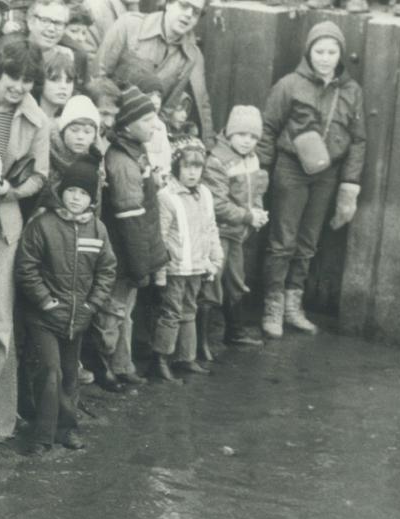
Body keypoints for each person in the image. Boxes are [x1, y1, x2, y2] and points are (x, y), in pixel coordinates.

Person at [258, 21, 364, 340]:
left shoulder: (351, 91)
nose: (325, 57)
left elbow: (359, 140)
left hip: (327, 174)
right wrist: (262, 169)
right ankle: (272, 307)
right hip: (291, 169)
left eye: (332, 51)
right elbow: (267, 129)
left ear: (340, 54)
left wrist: (350, 182)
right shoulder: (289, 85)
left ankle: (293, 305)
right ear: (308, 51)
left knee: (307, 243)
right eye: (319, 50)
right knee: (283, 241)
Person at [0, 39, 48, 443]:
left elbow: (40, 176)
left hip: (2, 218)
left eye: (29, 81)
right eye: (14, 77)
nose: (19, 87)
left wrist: (10, 190)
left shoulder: (37, 119)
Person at [16, 158, 115, 451]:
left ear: (92, 199)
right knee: (50, 371)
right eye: (71, 191)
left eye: (83, 193)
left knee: (71, 374)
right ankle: (42, 436)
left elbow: (107, 270)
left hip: (78, 317)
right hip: (45, 315)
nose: (76, 198)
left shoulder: (98, 230)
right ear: (61, 191)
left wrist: (91, 306)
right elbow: (26, 267)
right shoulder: (43, 225)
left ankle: (66, 429)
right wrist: (45, 301)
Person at [98, 85, 166, 389]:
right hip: (124, 252)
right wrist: (141, 264)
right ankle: (104, 366)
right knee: (113, 311)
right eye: (146, 119)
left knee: (125, 311)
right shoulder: (123, 161)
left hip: (135, 250)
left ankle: (122, 364)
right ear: (127, 125)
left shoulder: (136, 151)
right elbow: (130, 219)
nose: (154, 124)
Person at [152, 139, 222, 380]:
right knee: (171, 312)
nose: (192, 173)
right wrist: (160, 272)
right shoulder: (167, 197)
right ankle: (160, 358)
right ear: (176, 168)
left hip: (196, 266)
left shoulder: (205, 194)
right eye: (187, 167)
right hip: (175, 267)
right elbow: (160, 237)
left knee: (190, 309)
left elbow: (210, 228)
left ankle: (186, 357)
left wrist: (214, 258)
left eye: (197, 167)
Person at [96, 0, 211, 140]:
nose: (188, 14)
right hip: (105, 124)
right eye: (184, 5)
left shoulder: (191, 56)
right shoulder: (129, 25)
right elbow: (98, 78)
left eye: (196, 12)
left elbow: (167, 108)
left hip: (140, 136)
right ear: (168, 3)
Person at [203, 104, 268, 348]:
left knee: (235, 280)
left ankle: (235, 331)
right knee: (212, 280)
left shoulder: (252, 158)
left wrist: (258, 211)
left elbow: (257, 190)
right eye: (242, 135)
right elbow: (217, 203)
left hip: (237, 232)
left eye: (253, 137)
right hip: (219, 232)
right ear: (229, 133)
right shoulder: (218, 160)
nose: (247, 141)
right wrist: (248, 216)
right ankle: (201, 340)